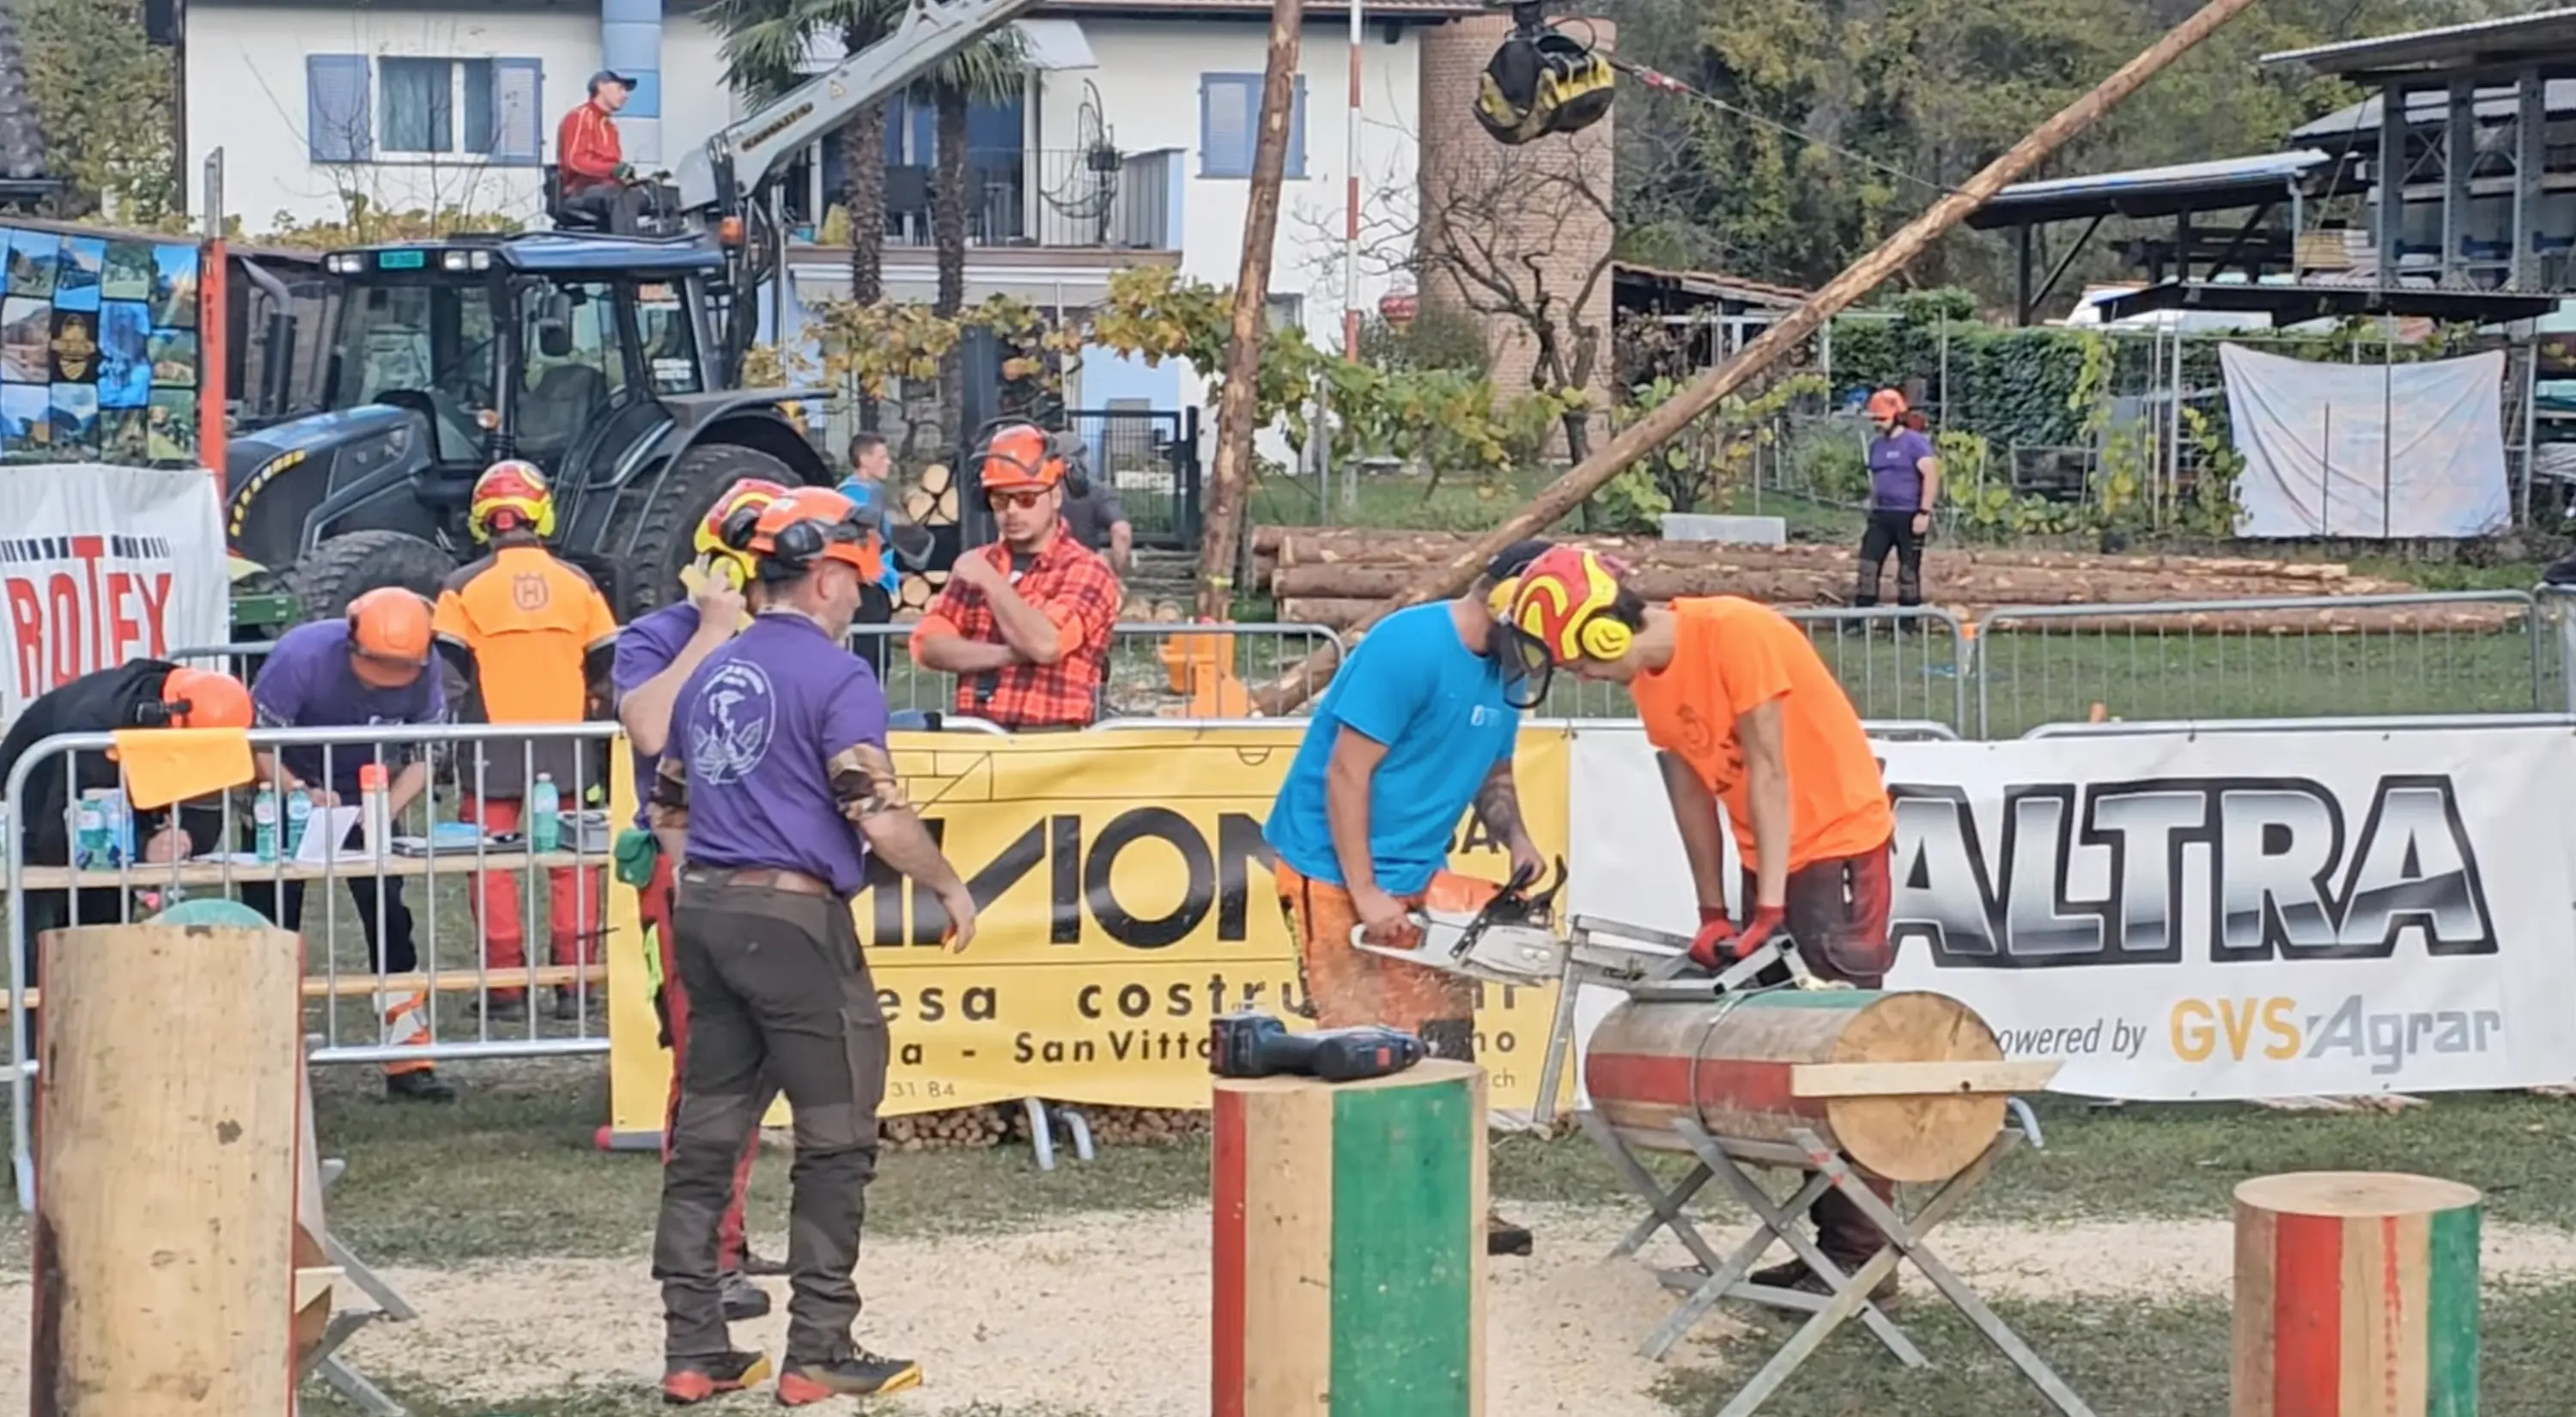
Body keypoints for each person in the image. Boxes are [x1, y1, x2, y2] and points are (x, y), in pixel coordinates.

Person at [647, 486, 980, 1406]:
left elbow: (667, 806)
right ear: (828, 578)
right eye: (859, 582)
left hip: (705, 911)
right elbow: (873, 809)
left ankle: (693, 1348)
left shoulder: (709, 671)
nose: (861, 599)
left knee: (708, 1134)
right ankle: (819, 1347)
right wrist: (948, 884)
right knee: (836, 1136)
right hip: (795, 920)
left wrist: (721, 872)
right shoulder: (839, 679)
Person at [1500, 544, 1899, 1297]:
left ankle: (1863, 1255)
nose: (1582, 677)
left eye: (1577, 661)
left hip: (1835, 846)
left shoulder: (1735, 633)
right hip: (1771, 858)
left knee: (1838, 1053)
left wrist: (1770, 907)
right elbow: (1691, 796)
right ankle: (1831, 1245)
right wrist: (1712, 909)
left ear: (1603, 631)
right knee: (1787, 1054)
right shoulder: (1651, 685)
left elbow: (1771, 770)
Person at [1262, 538, 1554, 1257]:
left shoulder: (1506, 669)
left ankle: (1454, 1200)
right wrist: (1364, 892)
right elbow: (1346, 774)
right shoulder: (1410, 647)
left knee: (1446, 1040)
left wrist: (1516, 837)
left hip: (1419, 869)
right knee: (1358, 1042)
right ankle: (1360, 1212)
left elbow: (1493, 773)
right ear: (1510, 604)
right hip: (1331, 868)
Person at [612, 475, 792, 1324]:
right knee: (710, 1066)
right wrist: (713, 634)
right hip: (683, 870)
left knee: (754, 1065)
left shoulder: (783, 643)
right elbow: (650, 729)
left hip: (763, 872)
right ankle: (703, 1258)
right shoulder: (655, 639)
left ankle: (726, 1232)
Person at [237, 587, 453, 1103]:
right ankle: (266, 1060)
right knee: (271, 927)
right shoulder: (300, 657)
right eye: (376, 668)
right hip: (283, 794)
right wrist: (300, 795)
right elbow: (258, 744)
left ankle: (408, 1059)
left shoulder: (426, 667)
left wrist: (382, 812)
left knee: (391, 921)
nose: (385, 681)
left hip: (367, 794)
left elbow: (427, 753)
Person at [433, 459, 619, 1020]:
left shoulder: (461, 588)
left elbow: (447, 679)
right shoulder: (579, 584)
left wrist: (439, 752)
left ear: (481, 519)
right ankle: (575, 986)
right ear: (542, 513)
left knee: (491, 868)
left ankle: (506, 989)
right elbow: (607, 668)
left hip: (490, 753)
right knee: (574, 867)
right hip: (568, 751)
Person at [0, 663, 251, 981]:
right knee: (50, 949)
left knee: (107, 946)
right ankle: (41, 1008)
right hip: (39, 801)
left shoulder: (205, 714)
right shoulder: (94, 728)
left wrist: (184, 838)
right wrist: (145, 848)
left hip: (112, 809)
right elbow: (58, 838)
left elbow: (206, 816)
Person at [908, 423, 1120, 730]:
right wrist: (1008, 655)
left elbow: (1046, 644)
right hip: (978, 735)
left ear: (1055, 496)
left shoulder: (1086, 570)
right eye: (1001, 500)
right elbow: (927, 645)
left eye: (1027, 498)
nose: (1013, 511)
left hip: (1051, 740)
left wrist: (992, 583)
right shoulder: (978, 565)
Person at [1856, 388, 1940, 619]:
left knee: (1908, 570)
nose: (1878, 424)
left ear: (1897, 417)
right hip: (1881, 514)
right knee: (1868, 566)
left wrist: (1924, 512)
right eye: (1875, 419)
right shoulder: (1876, 445)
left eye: (1882, 419)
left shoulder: (1915, 443)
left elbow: (1930, 475)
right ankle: (1860, 618)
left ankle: (1908, 622)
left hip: (1909, 514)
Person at [839, 433, 902, 678]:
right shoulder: (858, 496)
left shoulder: (858, 492)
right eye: (882, 457)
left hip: (873, 584)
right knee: (869, 662)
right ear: (864, 459)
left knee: (875, 659)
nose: (889, 462)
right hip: (867, 587)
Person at [555, 70, 650, 233]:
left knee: (656, 196)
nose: (625, 95)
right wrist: (613, 169)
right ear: (602, 87)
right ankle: (627, 246)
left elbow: (613, 168)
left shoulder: (611, 127)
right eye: (620, 88)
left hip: (608, 191)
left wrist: (630, 177)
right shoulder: (579, 117)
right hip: (580, 192)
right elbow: (574, 161)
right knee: (622, 197)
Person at [1058, 462, 1133, 577]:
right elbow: (1122, 532)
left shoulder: (1041, 492)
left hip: (1045, 570)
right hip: (1087, 572)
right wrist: (1114, 573)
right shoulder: (1099, 492)